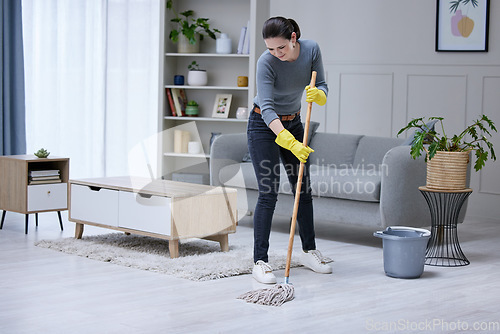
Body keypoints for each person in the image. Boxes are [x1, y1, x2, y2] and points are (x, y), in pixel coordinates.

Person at [247, 16, 332, 284]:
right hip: (263, 125)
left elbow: (322, 87)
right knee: (268, 193)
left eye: (280, 48)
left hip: (294, 122)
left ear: (293, 38)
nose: (275, 54)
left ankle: (309, 251)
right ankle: (260, 261)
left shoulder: (311, 49)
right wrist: (287, 141)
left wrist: (319, 95)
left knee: (302, 189)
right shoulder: (266, 62)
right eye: (270, 49)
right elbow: (268, 108)